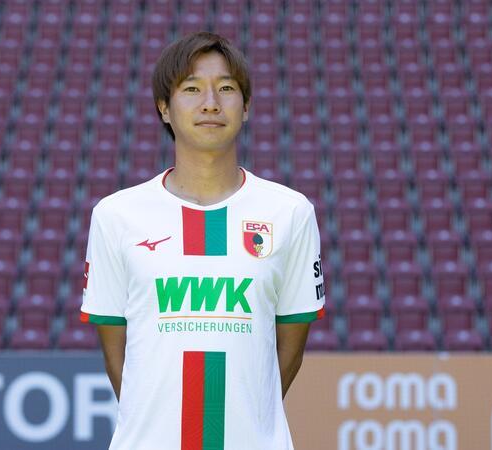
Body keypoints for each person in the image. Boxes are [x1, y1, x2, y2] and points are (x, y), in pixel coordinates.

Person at [80, 31, 326, 450]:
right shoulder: (117, 215)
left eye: (226, 88)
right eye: (192, 88)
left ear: (246, 107)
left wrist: (246, 420)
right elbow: (115, 352)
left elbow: (290, 350)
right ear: (164, 108)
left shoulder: (289, 212)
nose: (210, 102)